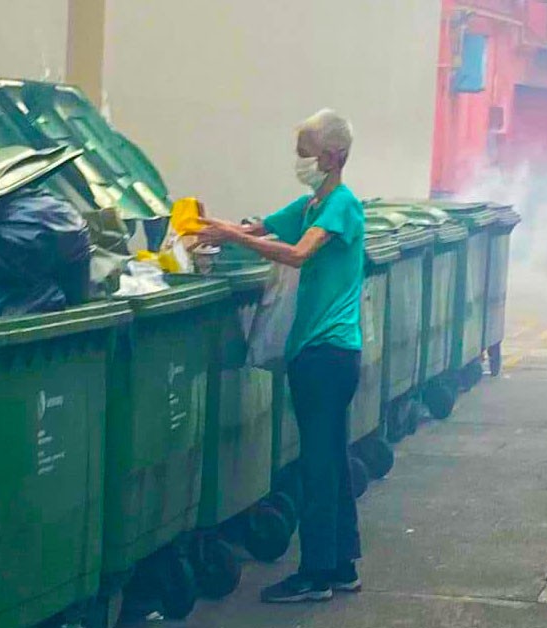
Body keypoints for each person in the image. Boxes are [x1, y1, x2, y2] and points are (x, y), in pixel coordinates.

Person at [197, 109, 365, 603]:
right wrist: (209, 225)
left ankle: (315, 575)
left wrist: (234, 237)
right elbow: (258, 229)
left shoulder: (341, 205)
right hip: (320, 352)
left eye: (305, 152)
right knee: (331, 460)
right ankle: (341, 565)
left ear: (333, 156)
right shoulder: (313, 203)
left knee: (317, 466)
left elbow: (297, 253)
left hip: (327, 355)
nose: (299, 160)